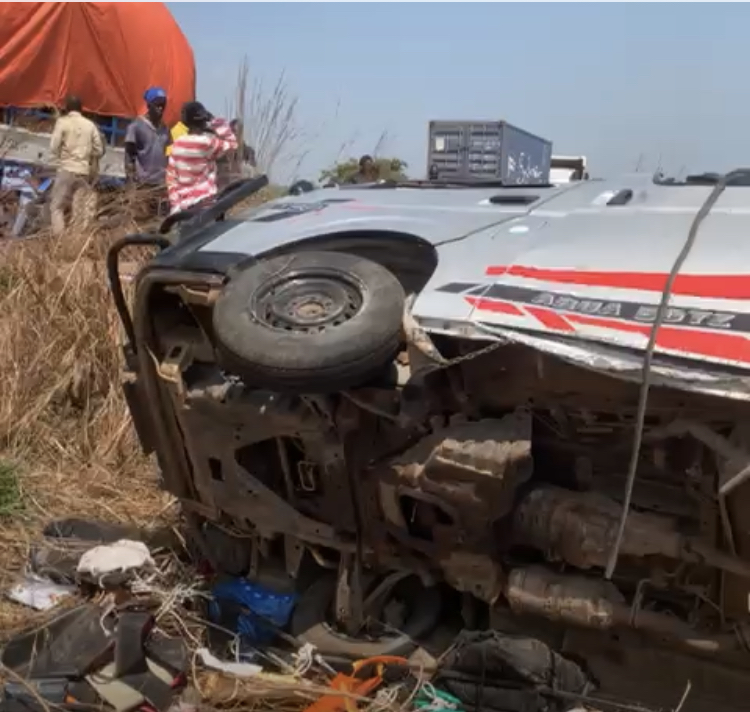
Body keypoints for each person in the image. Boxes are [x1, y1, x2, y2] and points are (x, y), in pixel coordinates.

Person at [166, 101, 238, 215]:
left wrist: (175, 206)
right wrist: (215, 121)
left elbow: (171, 179)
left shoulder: (176, 145)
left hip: (184, 209)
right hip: (206, 206)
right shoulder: (207, 143)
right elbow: (232, 144)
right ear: (203, 121)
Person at [48, 95, 104, 236]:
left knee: (57, 207)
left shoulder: (62, 122)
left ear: (67, 108)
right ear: (81, 109)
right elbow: (99, 150)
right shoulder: (90, 125)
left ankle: (60, 241)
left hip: (66, 169)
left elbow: (53, 147)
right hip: (83, 172)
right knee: (79, 211)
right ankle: (76, 242)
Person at [124, 87, 171, 215]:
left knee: (159, 220)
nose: (161, 108)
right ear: (149, 105)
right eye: (157, 105)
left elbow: (168, 155)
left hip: (160, 184)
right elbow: (129, 157)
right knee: (142, 219)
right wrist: (131, 183)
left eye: (163, 105)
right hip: (143, 183)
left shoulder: (165, 130)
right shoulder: (136, 127)